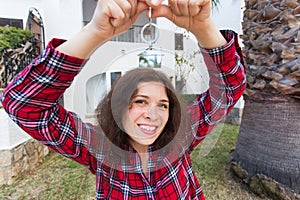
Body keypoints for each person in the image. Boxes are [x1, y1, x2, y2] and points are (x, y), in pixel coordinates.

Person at [0, 0, 246, 199]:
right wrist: (95, 33)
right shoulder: (99, 148)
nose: (154, 114)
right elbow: (24, 106)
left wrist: (202, 27)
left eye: (163, 104)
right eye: (140, 101)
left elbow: (229, 88)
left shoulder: (181, 136)